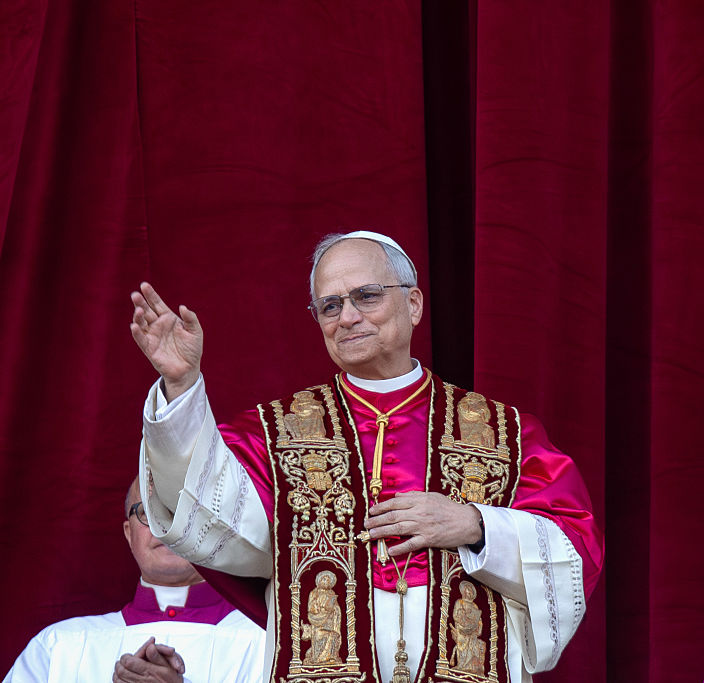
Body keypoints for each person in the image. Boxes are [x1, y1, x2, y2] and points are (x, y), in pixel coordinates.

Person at [129, 230, 604, 683]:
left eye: (367, 296)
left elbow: (574, 551)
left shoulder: (505, 434)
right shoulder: (275, 434)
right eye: (329, 306)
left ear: (413, 304)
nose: (347, 317)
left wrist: (477, 525)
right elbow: (200, 506)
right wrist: (181, 385)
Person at [1, 478, 266, 683]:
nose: (166, 527)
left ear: (215, 528)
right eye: (148, 512)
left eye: (183, 510)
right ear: (129, 534)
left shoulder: (269, 642)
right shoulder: (59, 646)